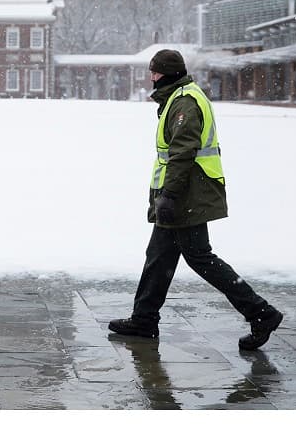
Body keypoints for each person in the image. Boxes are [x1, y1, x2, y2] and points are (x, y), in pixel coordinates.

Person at [108, 48, 283, 352]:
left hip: (188, 194)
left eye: (155, 72)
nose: (151, 77)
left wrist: (169, 195)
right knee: (159, 256)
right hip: (184, 192)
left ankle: (261, 313)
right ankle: (144, 319)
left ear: (168, 73)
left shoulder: (184, 102)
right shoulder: (179, 97)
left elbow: (183, 151)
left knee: (200, 257)